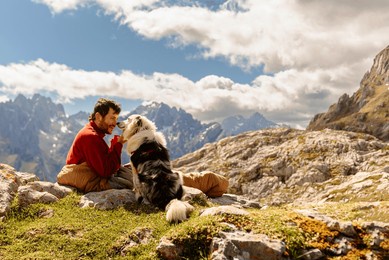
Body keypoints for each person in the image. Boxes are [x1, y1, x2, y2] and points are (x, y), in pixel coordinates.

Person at [57, 98, 133, 193]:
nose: (115, 123)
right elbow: (106, 171)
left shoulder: (92, 132)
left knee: (134, 169)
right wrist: (119, 144)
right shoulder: (90, 136)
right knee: (133, 180)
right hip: (90, 180)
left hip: (92, 175)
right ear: (98, 117)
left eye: (116, 119)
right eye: (112, 118)